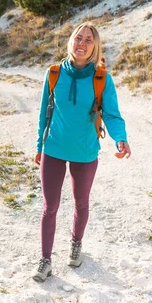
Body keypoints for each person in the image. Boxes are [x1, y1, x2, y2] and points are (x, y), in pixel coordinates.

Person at [32, 22, 131, 282]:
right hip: (54, 147)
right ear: (71, 42)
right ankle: (45, 260)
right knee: (49, 206)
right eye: (78, 38)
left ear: (94, 47)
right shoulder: (53, 73)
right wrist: (39, 146)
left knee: (81, 202)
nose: (82, 43)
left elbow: (111, 114)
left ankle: (76, 243)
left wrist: (120, 139)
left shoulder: (101, 78)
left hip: (86, 150)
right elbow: (44, 112)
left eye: (89, 40)